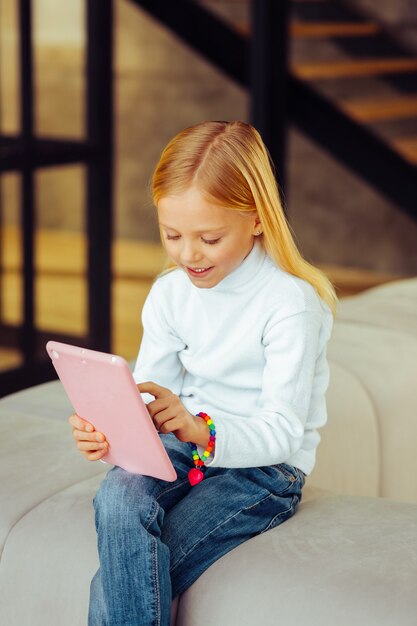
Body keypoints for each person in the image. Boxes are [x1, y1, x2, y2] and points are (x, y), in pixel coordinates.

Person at [69, 120, 337, 626]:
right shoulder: (171, 293)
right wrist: (113, 430)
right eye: (172, 235)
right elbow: (149, 393)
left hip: (262, 470)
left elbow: (281, 433)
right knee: (117, 494)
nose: (188, 254)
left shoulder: (290, 304)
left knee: (136, 567)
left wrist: (199, 428)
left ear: (256, 220)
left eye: (209, 238)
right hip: (182, 444)